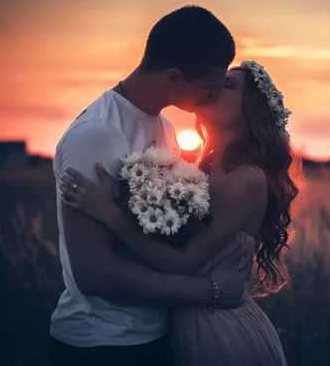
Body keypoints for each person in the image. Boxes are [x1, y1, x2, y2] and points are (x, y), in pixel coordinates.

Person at [59, 60, 301, 366]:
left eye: (229, 86)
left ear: (250, 110)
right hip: (187, 324)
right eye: (216, 81)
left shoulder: (248, 179)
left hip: (221, 334)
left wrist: (110, 213)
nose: (214, 88)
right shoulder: (205, 171)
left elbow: (182, 261)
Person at [48, 5, 247, 366]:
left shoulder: (166, 129)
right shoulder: (96, 134)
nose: (212, 97)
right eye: (207, 89)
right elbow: (94, 274)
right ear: (173, 77)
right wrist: (209, 291)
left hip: (157, 337)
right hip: (101, 346)